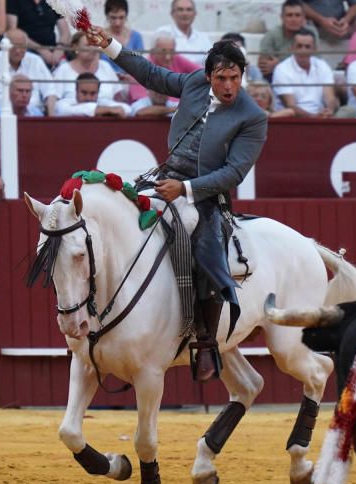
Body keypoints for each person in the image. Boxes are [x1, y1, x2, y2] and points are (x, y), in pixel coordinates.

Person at [85, 26, 266, 383]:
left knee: (208, 254)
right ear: (209, 75)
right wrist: (111, 46)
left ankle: (204, 342)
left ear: (242, 75)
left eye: (234, 77)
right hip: (163, 177)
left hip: (205, 194)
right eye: (221, 78)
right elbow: (151, 74)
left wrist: (184, 189)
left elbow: (233, 173)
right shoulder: (195, 84)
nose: (228, 86)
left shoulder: (252, 116)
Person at [0, 28, 54, 115]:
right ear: (4, 45)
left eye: (21, 46)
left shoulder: (36, 60)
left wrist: (51, 121)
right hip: (0, 116)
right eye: (13, 46)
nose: (18, 50)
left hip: (33, 116)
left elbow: (50, 92)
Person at [271, 29, 337, 118]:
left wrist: (329, 110)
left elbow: (330, 97)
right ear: (292, 48)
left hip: (321, 116)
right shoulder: (282, 69)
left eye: (307, 47)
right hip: (293, 119)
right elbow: (290, 105)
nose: (303, 50)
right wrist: (313, 117)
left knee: (347, 111)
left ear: (314, 49)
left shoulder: (322, 65)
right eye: (299, 46)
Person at [124, 30, 199, 104]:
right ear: (153, 51)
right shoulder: (141, 70)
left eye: (171, 51)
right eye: (163, 52)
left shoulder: (177, 58)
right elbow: (142, 107)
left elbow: (203, 72)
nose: (168, 57)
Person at [52, 31, 123, 105]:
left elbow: (118, 96)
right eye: (88, 45)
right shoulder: (63, 70)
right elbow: (55, 101)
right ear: (75, 47)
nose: (92, 49)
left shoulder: (105, 67)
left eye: (95, 45)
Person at [258, 0, 317, 82]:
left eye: (297, 15)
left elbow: (314, 59)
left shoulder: (311, 34)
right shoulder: (271, 35)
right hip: (277, 78)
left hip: (306, 76)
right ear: (282, 17)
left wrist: (280, 63)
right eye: (289, 15)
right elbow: (264, 65)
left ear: (303, 18)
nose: (293, 19)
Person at [4, 0, 69, 69]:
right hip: (27, 48)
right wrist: (41, 50)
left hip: (53, 49)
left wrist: (59, 49)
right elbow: (13, 32)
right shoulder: (13, 2)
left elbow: (65, 32)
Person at [300, 0, 356, 68]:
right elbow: (296, 3)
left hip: (341, 23)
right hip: (312, 24)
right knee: (295, 15)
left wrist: (346, 20)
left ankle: (351, 61)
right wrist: (321, 20)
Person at [156, 0, 211, 67]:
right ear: (172, 13)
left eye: (189, 9)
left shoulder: (204, 38)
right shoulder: (162, 33)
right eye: (180, 9)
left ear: (195, 13)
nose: (185, 13)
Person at [55, 72, 129, 117]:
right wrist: (107, 110)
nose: (88, 98)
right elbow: (63, 111)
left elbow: (127, 109)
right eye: (84, 93)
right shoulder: (66, 102)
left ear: (98, 93)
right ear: (76, 91)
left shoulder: (101, 102)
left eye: (93, 93)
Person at [100, 0, 143, 77]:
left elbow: (140, 64)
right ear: (107, 16)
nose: (117, 23)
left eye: (121, 17)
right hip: (106, 82)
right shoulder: (100, 37)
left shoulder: (136, 37)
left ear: (126, 16)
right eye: (113, 18)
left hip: (131, 82)